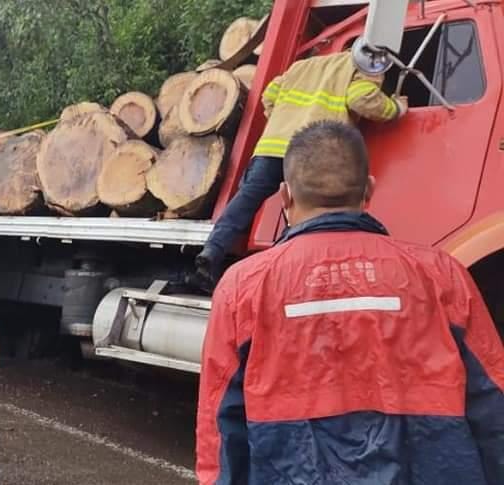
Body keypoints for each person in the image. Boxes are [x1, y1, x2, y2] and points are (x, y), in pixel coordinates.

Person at [196, 121, 504, 485]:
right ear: (369, 189)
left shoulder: (242, 288)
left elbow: (220, 424)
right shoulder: (442, 275)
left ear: (285, 196)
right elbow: (492, 400)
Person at [196, 51, 409, 285]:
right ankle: (288, 274)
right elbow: (360, 99)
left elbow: (270, 95)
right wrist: (396, 108)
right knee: (307, 213)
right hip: (313, 150)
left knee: (247, 198)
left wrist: (282, 120)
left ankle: (212, 250)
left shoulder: (302, 65)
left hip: (273, 145)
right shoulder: (362, 65)